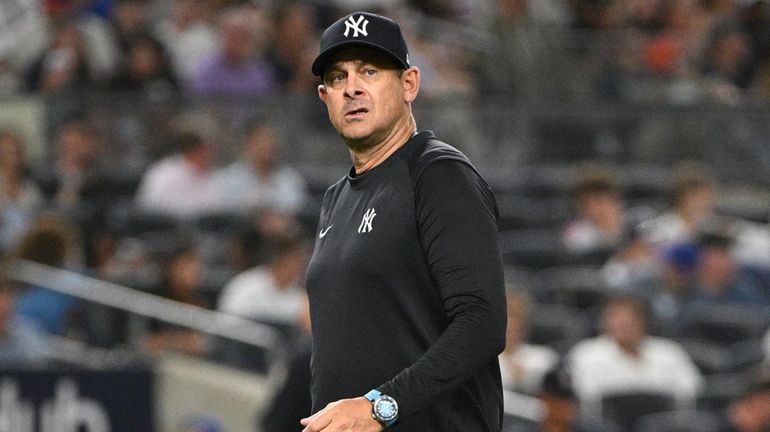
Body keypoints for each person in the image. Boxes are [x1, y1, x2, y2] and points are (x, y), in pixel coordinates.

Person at [302, 12, 506, 431]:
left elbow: (482, 324)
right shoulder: (335, 199)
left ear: (409, 83)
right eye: (338, 77)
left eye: (370, 71)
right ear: (325, 97)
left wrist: (379, 407)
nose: (352, 87)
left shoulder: (438, 174)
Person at [566, 295, 703, 421]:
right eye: (616, 317)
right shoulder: (587, 354)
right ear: (605, 321)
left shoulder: (668, 351)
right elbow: (586, 397)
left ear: (644, 321)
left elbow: (691, 390)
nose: (624, 322)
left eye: (631, 317)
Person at [214, 121, 308, 216]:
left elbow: (296, 208)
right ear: (248, 143)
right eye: (262, 141)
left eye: (271, 142)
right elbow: (227, 212)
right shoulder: (228, 179)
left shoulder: (290, 180)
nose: (268, 147)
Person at [134, 130, 219, 219]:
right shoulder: (164, 173)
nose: (211, 156)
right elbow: (150, 210)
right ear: (199, 151)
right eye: (207, 151)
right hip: (162, 227)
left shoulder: (207, 174)